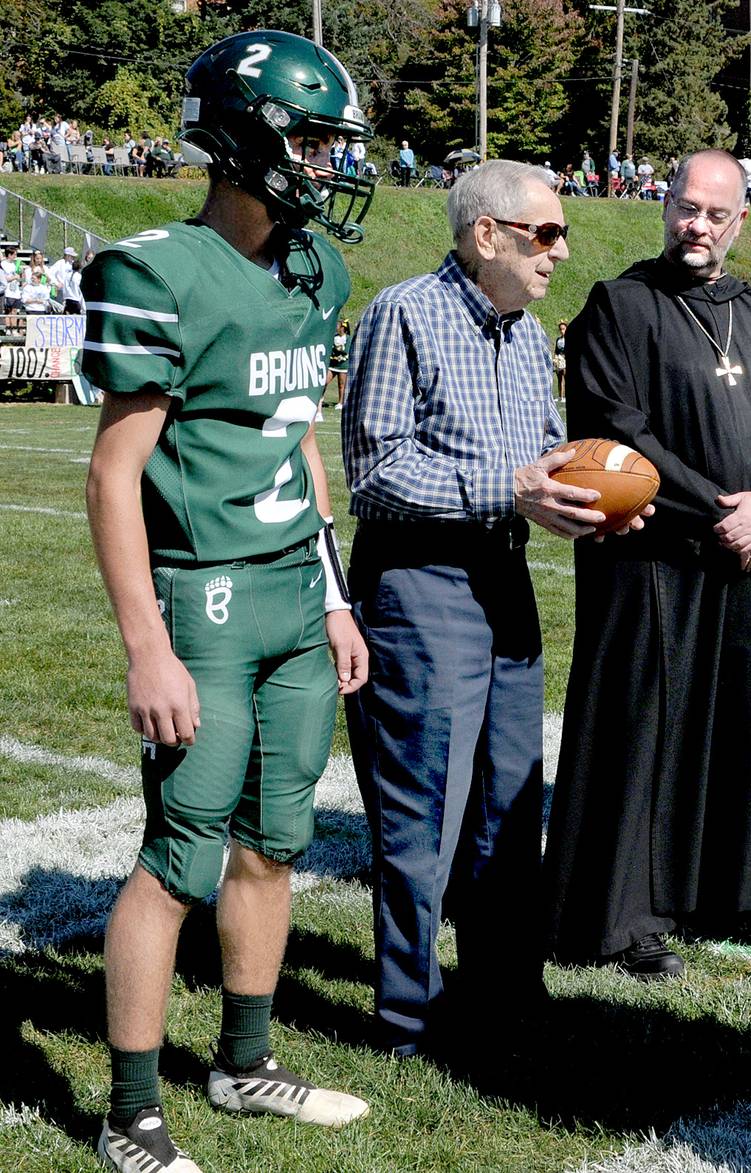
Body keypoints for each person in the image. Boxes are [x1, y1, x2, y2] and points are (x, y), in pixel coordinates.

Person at [82, 30, 377, 1173]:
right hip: (199, 594)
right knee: (180, 851)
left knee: (276, 837)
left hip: (295, 595)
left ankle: (245, 1062)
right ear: (245, 137)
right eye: (309, 139)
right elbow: (114, 474)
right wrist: (144, 646)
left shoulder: (316, 268)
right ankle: (129, 1114)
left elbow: (301, 445)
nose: (328, 164)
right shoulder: (154, 270)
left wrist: (339, 597)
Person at [342, 159, 624, 1056]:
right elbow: (376, 468)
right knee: (421, 809)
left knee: (509, 797)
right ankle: (407, 1014)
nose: (560, 252)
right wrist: (508, 489)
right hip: (419, 585)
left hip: (502, 580)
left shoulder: (524, 331)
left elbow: (543, 459)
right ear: (486, 236)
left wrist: (591, 498)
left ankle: (507, 986)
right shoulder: (404, 313)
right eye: (546, 233)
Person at [544, 149, 751, 980]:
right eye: (685, 208)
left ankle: (743, 891)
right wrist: (721, 509)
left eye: (715, 213)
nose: (697, 226)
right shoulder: (620, 305)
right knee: (649, 729)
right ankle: (629, 914)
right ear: (662, 206)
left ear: (741, 220)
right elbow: (618, 432)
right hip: (660, 560)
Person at [325, 318, 350, 409]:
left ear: (343, 328)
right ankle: (320, 398)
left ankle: (340, 403)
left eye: (338, 326)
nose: (336, 327)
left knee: (341, 384)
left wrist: (341, 357)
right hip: (332, 365)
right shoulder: (334, 337)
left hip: (343, 365)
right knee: (324, 381)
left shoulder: (347, 338)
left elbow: (346, 351)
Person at [552, 318, 568, 399]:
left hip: (565, 360)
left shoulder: (569, 338)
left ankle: (566, 396)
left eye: (563, 329)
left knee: (566, 378)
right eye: (561, 329)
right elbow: (556, 350)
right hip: (559, 360)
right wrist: (555, 358)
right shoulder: (558, 339)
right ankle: (560, 396)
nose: (562, 331)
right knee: (559, 378)